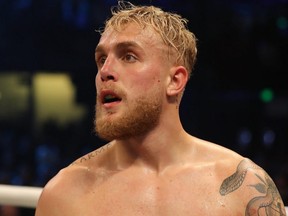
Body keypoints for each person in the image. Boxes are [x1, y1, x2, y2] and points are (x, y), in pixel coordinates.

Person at [35, 1, 286, 215]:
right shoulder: (64, 195)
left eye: (129, 56)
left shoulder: (245, 187)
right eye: (102, 59)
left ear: (175, 80)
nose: (105, 72)